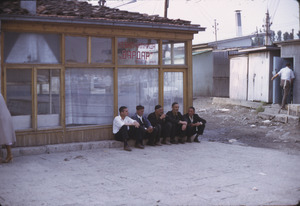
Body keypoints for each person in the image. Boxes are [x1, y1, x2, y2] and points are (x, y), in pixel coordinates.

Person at [0, 93, 16, 163]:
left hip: (2, 117)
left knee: (4, 137)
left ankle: (6, 156)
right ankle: (10, 155)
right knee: (6, 137)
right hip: (5, 116)